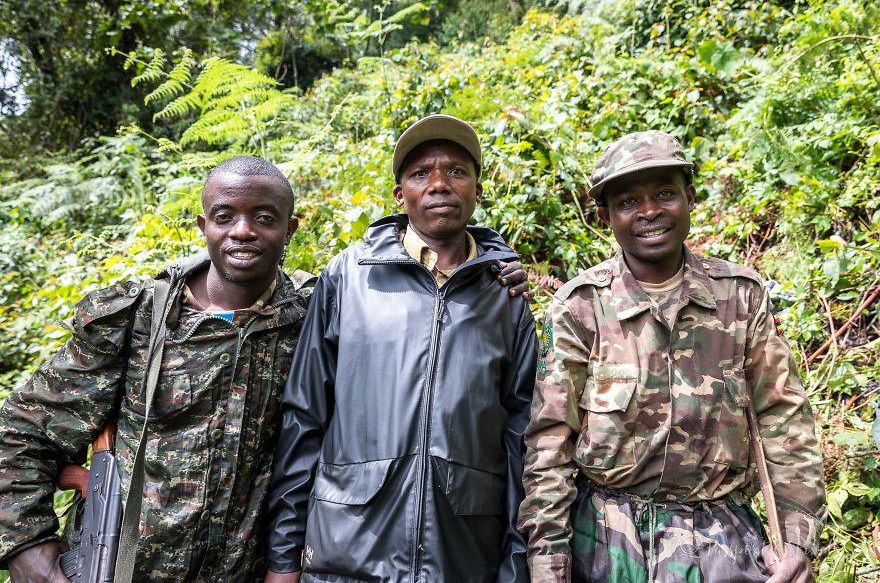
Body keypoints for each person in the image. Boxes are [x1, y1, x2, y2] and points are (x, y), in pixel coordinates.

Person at [0, 154, 531, 582]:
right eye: (226, 216)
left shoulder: (315, 309)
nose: (244, 233)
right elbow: (21, 432)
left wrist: (494, 272)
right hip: (124, 565)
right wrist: (27, 548)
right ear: (203, 224)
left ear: (290, 228)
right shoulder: (140, 318)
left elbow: (409, 327)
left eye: (264, 218)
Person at [518, 131, 826, 583]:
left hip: (723, 540)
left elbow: (784, 421)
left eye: (665, 193)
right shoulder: (580, 307)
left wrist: (797, 538)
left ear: (691, 198)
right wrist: (548, 562)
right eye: (628, 201)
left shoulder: (740, 297)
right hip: (605, 542)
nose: (649, 212)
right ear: (606, 216)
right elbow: (549, 444)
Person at [265, 114, 537, 582]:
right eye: (420, 174)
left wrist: (516, 567)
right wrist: (283, 559)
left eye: (456, 171)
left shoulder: (505, 295)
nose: (439, 184)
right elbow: (304, 417)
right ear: (400, 195)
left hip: (463, 557)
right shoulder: (348, 277)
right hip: (346, 553)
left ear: (476, 188)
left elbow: (522, 440)